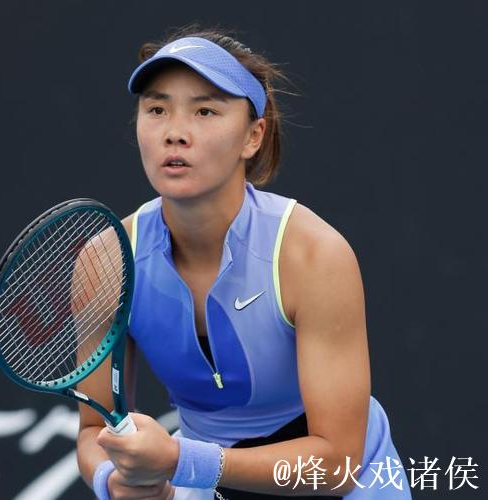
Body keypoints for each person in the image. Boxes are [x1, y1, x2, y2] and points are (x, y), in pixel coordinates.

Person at [76, 25, 412, 499]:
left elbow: (337, 463)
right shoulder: (106, 261)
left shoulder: (314, 256)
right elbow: (93, 430)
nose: (174, 133)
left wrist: (180, 462)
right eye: (157, 109)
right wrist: (112, 482)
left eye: (205, 111)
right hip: (202, 479)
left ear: (253, 136)